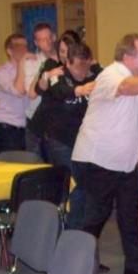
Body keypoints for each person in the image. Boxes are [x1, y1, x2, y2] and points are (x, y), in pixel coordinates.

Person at [71, 33, 138, 274]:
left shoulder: (130, 79)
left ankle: (134, 266)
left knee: (129, 213)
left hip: (122, 161)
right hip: (97, 159)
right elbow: (126, 89)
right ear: (128, 56)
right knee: (97, 213)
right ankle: (78, 261)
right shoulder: (112, 75)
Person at [35, 43, 99, 228]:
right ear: (68, 63)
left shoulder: (93, 74)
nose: (82, 71)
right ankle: (70, 230)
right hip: (60, 140)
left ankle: (78, 230)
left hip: (84, 141)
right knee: (74, 186)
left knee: (86, 187)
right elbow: (58, 91)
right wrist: (78, 90)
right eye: (78, 66)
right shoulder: (58, 75)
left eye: (85, 66)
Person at [0, 34, 36, 156]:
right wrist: (21, 65)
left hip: (26, 128)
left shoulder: (30, 69)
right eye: (19, 47)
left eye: (25, 46)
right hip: (7, 129)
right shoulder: (1, 72)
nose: (24, 50)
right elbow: (18, 91)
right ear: (9, 51)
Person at [24, 23, 60, 159]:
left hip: (57, 123)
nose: (47, 42)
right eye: (42, 40)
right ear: (36, 43)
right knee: (37, 166)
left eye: (49, 37)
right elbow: (31, 93)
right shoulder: (31, 63)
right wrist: (44, 69)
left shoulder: (63, 59)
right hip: (36, 124)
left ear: (54, 37)